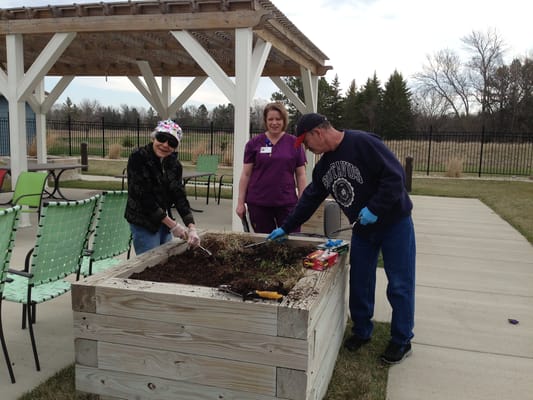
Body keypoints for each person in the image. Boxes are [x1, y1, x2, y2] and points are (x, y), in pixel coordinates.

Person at [267, 113, 416, 365]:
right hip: (363, 230)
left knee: (400, 284)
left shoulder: (363, 143)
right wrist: (287, 227)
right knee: (360, 280)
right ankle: (361, 331)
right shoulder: (325, 166)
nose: (307, 148)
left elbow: (395, 177)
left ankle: (401, 339)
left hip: (394, 223)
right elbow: (310, 197)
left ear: (318, 132)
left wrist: (376, 208)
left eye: (306, 142)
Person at [125, 119, 201, 255]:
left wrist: (191, 226)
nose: (165, 145)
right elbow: (143, 196)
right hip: (144, 221)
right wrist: (173, 225)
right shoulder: (138, 157)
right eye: (162, 138)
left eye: (172, 142)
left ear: (175, 147)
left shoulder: (174, 165)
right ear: (154, 137)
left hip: (164, 222)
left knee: (164, 260)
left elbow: (179, 195)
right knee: (150, 263)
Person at [236, 102, 307, 233]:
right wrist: (240, 203)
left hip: (287, 203)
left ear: (284, 120)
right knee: (265, 244)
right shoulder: (253, 144)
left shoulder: (294, 143)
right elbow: (246, 174)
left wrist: (302, 201)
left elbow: (301, 174)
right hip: (259, 203)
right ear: (265, 121)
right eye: (271, 119)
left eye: (278, 119)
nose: (274, 123)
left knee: (291, 241)